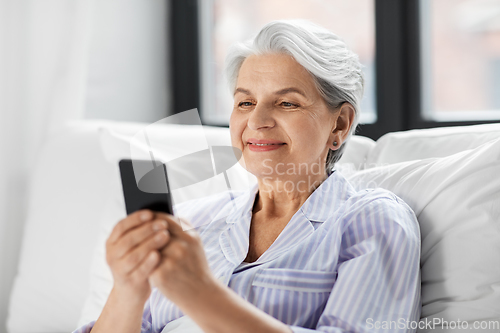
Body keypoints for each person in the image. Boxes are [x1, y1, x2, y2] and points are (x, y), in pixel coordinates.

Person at [74, 19, 421, 333]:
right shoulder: (192, 222)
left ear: (340, 123)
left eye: (287, 103)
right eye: (245, 103)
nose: (257, 121)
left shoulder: (371, 220)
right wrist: (127, 287)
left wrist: (199, 293)